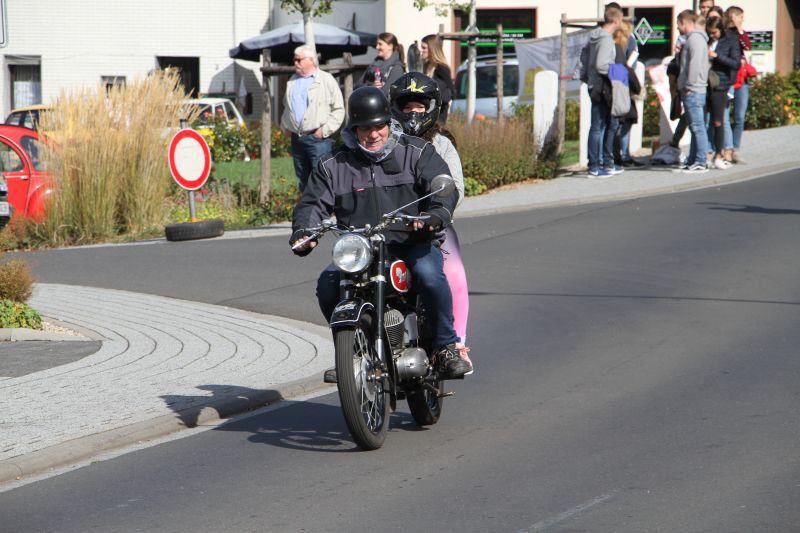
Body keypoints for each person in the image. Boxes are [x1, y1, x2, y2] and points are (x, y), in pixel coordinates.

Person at [290, 86, 471, 380]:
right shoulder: (335, 165)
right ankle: (351, 352)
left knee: (429, 275)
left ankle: (445, 347)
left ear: (389, 124)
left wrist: (433, 216)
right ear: (354, 129)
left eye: (378, 127)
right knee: (328, 284)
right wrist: (304, 233)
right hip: (361, 249)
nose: (372, 135)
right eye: (364, 128)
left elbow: (442, 185)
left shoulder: (416, 152)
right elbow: (312, 203)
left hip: (411, 241)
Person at [388, 72, 473, 373]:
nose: (413, 114)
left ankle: (453, 345)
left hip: (434, 225)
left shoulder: (442, 143)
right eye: (406, 107)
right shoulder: (383, 141)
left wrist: (434, 215)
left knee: (451, 274)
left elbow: (456, 188)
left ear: (432, 108)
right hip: (389, 228)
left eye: (419, 108)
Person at [280, 45, 345, 191]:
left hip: (318, 139)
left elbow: (339, 109)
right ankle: (308, 212)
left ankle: (325, 212)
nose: (295, 63)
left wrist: (324, 130)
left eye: (299, 60)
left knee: (322, 178)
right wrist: (285, 126)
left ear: (311, 60)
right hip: (297, 138)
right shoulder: (292, 81)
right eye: (294, 60)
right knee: (303, 180)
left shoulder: (326, 80)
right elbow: (286, 106)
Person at [586, 5, 623, 177]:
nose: (621, 23)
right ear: (615, 20)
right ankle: (595, 165)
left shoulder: (594, 36)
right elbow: (602, 64)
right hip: (602, 86)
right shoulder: (606, 39)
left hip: (594, 84)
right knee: (599, 126)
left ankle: (598, 164)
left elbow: (586, 59)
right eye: (621, 19)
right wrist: (618, 72)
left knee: (598, 125)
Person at [677, 10, 710, 173]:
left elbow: (695, 65)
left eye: (678, 23)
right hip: (694, 89)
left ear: (684, 22)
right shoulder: (693, 40)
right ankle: (693, 159)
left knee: (698, 127)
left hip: (694, 90)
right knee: (695, 127)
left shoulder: (695, 40)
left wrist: (689, 86)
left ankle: (700, 160)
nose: (677, 27)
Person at [706, 16, 741, 170]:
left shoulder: (730, 40)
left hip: (720, 84)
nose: (712, 36)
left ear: (720, 29)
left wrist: (717, 57)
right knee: (705, 121)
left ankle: (719, 154)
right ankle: (706, 153)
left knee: (718, 121)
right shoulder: (706, 40)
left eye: (714, 33)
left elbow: (736, 63)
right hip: (705, 84)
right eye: (710, 33)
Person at [613, 20, 644, 167]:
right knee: (623, 121)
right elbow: (627, 66)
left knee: (621, 121)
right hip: (622, 85)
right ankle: (621, 156)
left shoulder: (613, 42)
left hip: (617, 85)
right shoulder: (621, 44)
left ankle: (619, 155)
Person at [726, 6, 753, 164]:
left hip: (742, 79)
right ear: (733, 17)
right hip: (729, 78)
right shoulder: (725, 33)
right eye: (740, 17)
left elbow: (747, 46)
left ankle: (735, 148)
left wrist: (741, 30)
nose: (742, 19)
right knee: (724, 115)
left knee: (739, 116)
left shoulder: (740, 33)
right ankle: (725, 147)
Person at [419, 35, 455, 125]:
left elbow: (450, 92)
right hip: (425, 113)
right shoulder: (426, 66)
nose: (421, 50)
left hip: (438, 116)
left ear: (432, 49)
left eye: (424, 48)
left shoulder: (441, 68)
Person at [359, 32, 406, 97]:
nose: (377, 47)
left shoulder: (396, 67)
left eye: (380, 44)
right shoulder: (373, 64)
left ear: (390, 46)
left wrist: (371, 88)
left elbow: (386, 93)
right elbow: (358, 86)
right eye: (377, 44)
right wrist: (371, 85)